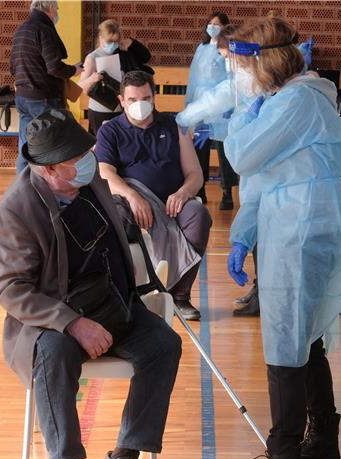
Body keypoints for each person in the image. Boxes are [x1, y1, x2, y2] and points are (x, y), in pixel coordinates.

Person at [0, 109, 182, 459]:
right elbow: (11, 289)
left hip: (112, 302)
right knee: (54, 355)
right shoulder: (15, 211)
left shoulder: (87, 178)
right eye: (76, 159)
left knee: (164, 345)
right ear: (48, 169)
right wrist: (72, 323)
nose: (87, 161)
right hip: (54, 318)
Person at [223, 17, 341, 459]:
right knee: (304, 336)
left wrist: (243, 105)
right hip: (294, 217)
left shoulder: (298, 100)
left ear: (265, 62)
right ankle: (321, 440)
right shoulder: (291, 99)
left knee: (284, 338)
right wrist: (243, 234)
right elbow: (262, 173)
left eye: (245, 64)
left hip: (301, 225)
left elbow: (241, 156)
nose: (243, 74)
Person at [96, 71, 212, 321]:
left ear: (154, 96)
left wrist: (183, 193)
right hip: (131, 200)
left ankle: (179, 297)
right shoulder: (110, 130)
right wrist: (132, 196)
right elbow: (105, 172)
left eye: (146, 98)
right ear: (122, 100)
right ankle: (134, 295)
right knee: (119, 217)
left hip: (172, 202)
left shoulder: (174, 126)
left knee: (199, 216)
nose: (140, 104)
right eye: (133, 99)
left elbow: (195, 174)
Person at [10, 0, 83, 173]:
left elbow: (12, 68)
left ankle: (23, 187)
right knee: (54, 147)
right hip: (43, 98)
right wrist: (74, 70)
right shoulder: (44, 29)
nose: (57, 13)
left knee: (26, 146)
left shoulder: (21, 30)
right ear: (50, 8)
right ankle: (53, 188)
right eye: (57, 9)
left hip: (22, 97)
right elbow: (54, 67)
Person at [178, 24, 240, 211]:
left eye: (226, 56)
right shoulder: (203, 49)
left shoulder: (243, 79)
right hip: (214, 114)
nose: (224, 60)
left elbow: (218, 98)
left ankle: (227, 190)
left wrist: (181, 119)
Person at [185, 12, 231, 205]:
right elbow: (193, 77)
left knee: (223, 147)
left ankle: (227, 190)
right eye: (210, 23)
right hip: (201, 101)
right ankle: (200, 187)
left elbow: (231, 75)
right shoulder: (201, 48)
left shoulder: (227, 49)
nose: (212, 27)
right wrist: (189, 103)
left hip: (219, 101)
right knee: (200, 146)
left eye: (217, 24)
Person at [79, 19, 152, 135]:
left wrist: (132, 43)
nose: (112, 45)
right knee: (103, 144)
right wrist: (92, 79)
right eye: (109, 41)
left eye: (115, 41)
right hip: (101, 110)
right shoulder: (92, 57)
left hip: (121, 109)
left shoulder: (122, 52)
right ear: (100, 38)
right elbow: (81, 86)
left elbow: (146, 57)